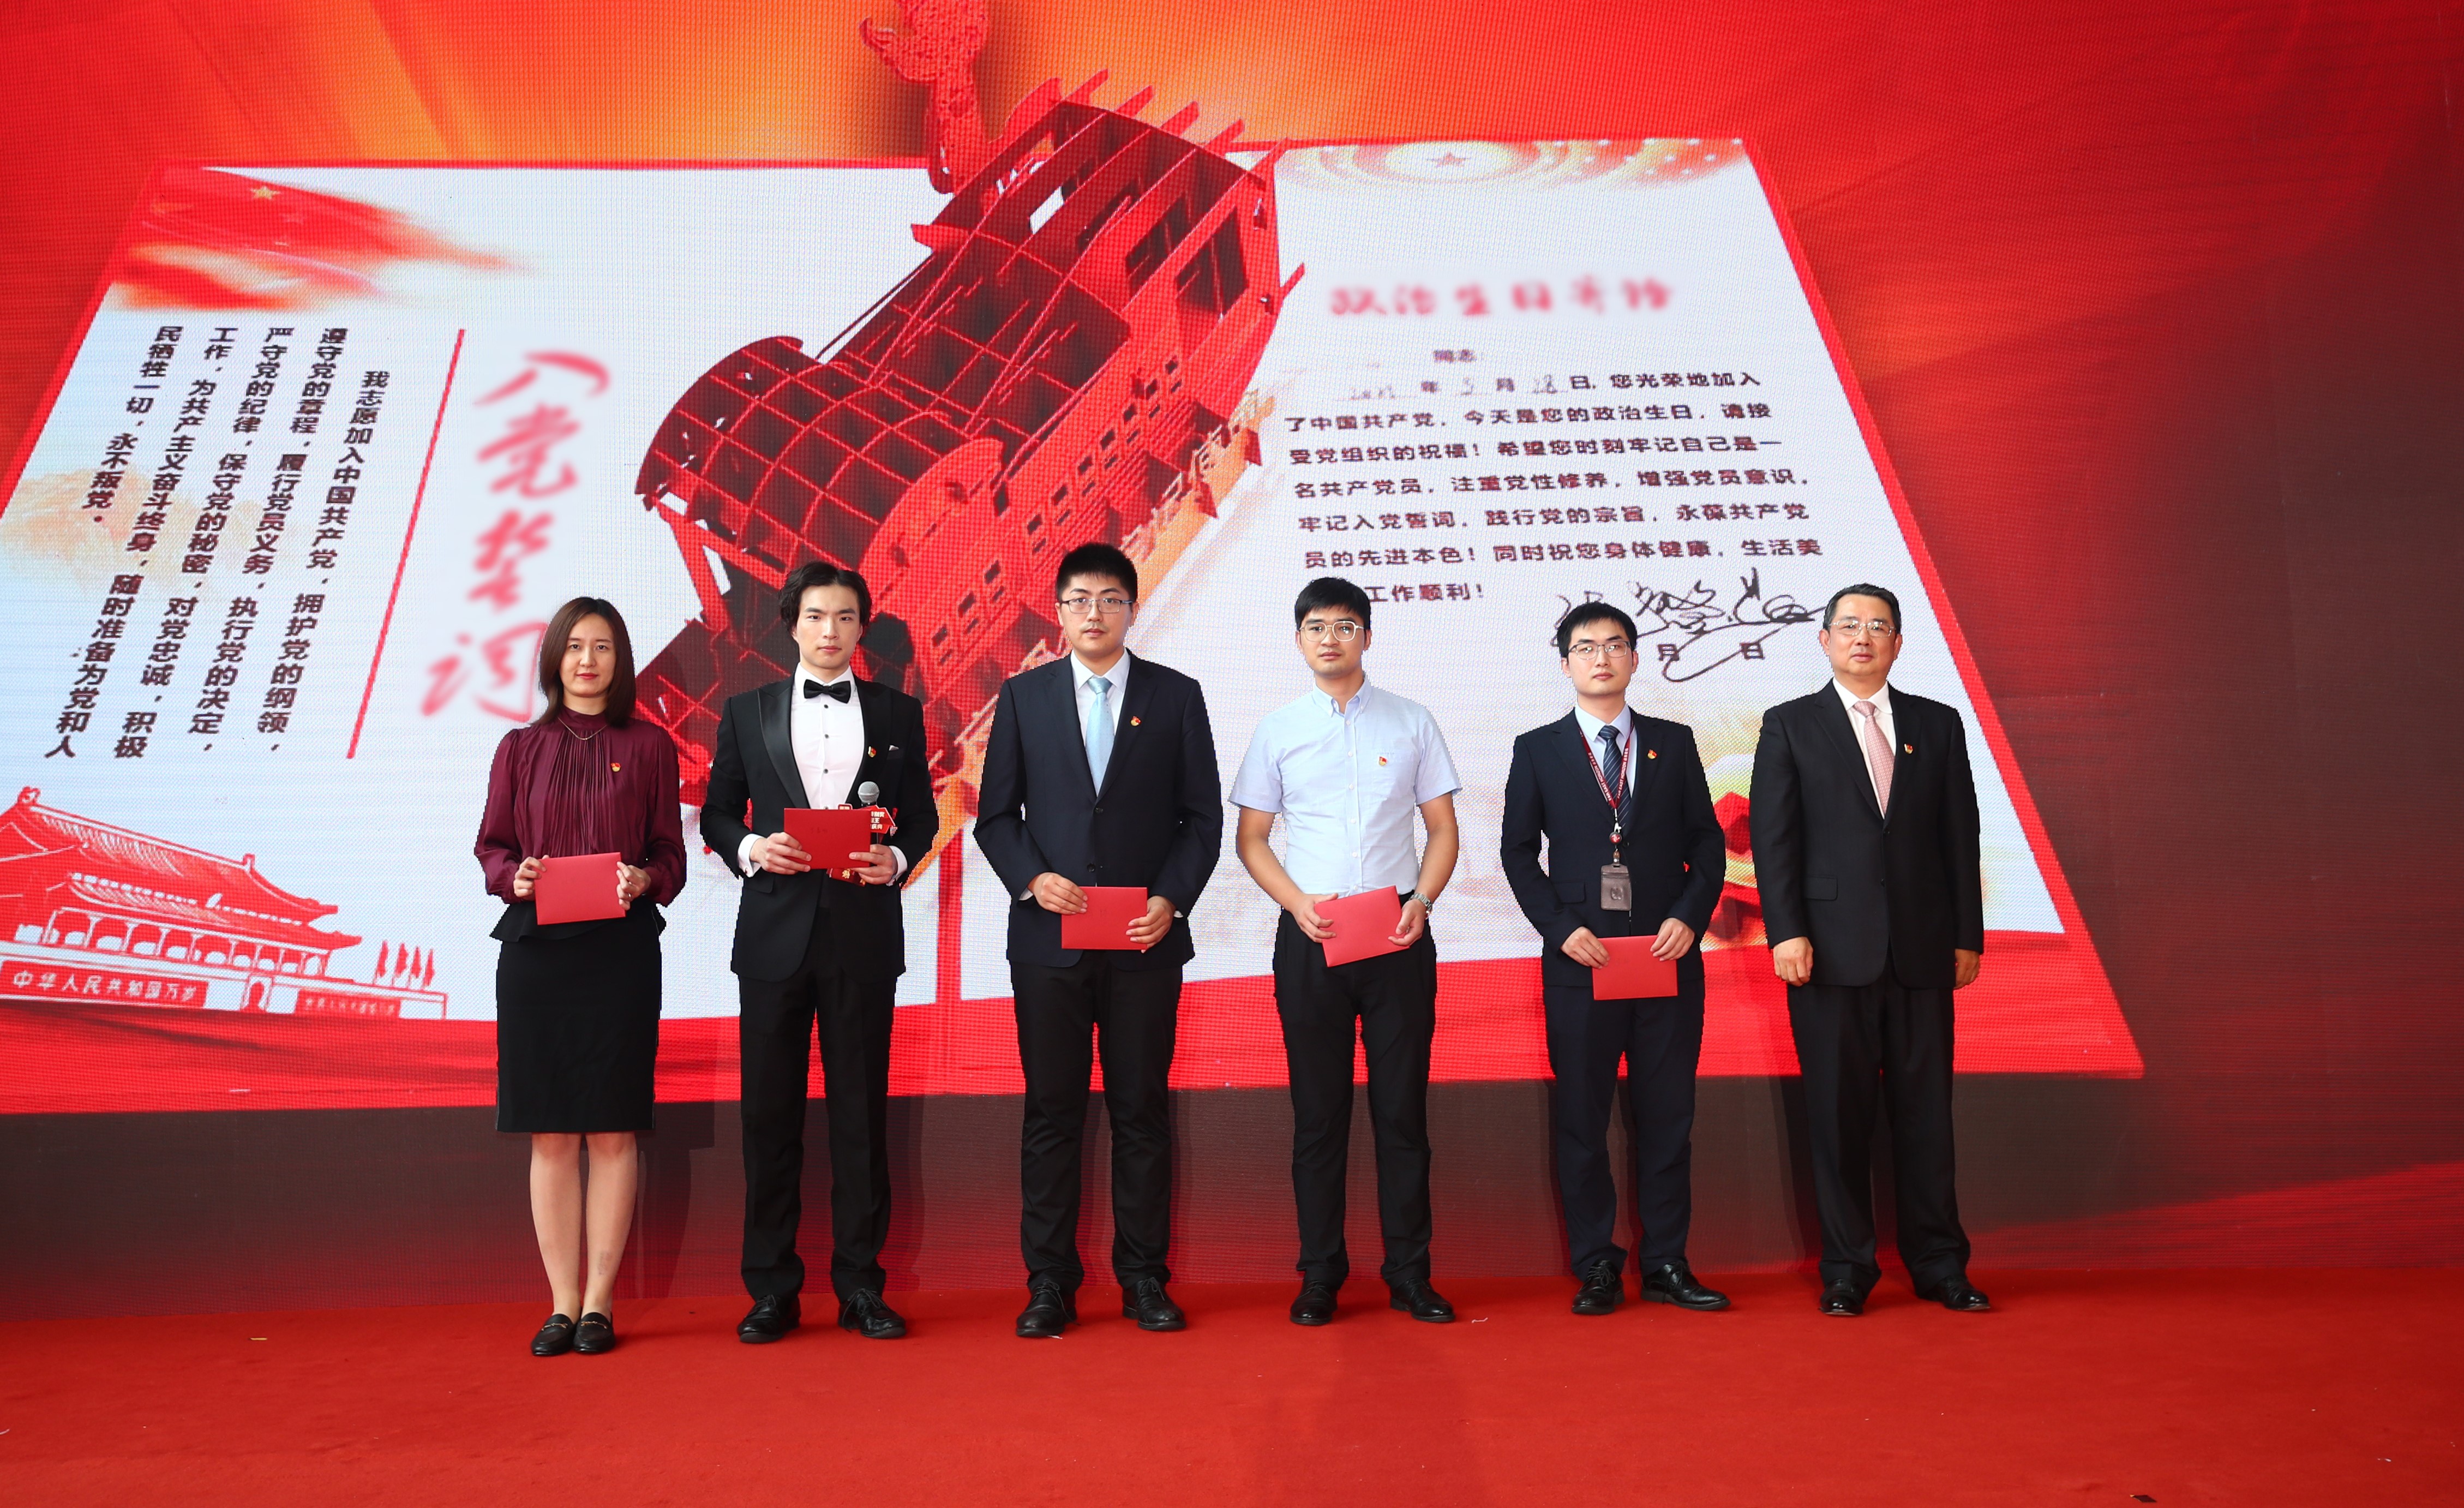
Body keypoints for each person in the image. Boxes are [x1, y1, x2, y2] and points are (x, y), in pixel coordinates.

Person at [975, 542, 1223, 1337]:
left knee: (1140, 1111)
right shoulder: (1023, 697)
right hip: (1049, 944)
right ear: (1057, 610)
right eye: (1079, 599)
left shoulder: (1176, 696)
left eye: (1110, 599)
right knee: (1051, 1113)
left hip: (1144, 941)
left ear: (1131, 609)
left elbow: (1202, 820)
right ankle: (1049, 1283)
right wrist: (1031, 879)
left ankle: (1144, 1278)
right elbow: (994, 819)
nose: (1094, 613)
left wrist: (1171, 899)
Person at [700, 562, 939, 1344]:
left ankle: (862, 1287)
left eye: (843, 617)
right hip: (773, 936)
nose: (829, 631)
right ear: (791, 625)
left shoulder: (899, 712)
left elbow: (922, 818)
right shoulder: (746, 712)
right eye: (815, 616)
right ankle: (771, 1290)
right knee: (769, 1118)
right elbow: (716, 814)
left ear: (861, 626)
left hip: (862, 935)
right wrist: (751, 848)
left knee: (860, 1117)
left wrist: (895, 860)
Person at [1748, 583, 1989, 1316]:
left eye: (1878, 626)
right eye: (1849, 626)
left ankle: (1940, 1264)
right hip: (1827, 953)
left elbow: (1960, 835)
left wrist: (1966, 935)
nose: (1863, 638)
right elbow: (1773, 840)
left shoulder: (1937, 723)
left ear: (1897, 643)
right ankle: (1847, 1269)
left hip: (1922, 950)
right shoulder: (1790, 725)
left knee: (1927, 1117)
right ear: (1824, 640)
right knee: (1836, 1116)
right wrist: (1786, 931)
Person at [1230, 577, 1461, 1327]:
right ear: (1299, 639)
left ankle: (1410, 1273)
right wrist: (1296, 903)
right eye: (1316, 626)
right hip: (1312, 938)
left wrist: (1422, 902)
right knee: (1319, 1115)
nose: (1330, 638)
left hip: (1397, 934)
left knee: (1401, 1113)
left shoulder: (1411, 720)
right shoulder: (1278, 729)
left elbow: (1442, 829)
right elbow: (1252, 839)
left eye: (1345, 625)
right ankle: (1320, 1273)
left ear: (1367, 635)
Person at [1501, 601, 1732, 1316]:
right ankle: (1596, 1264)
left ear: (1634, 658)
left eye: (1614, 645)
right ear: (1565, 662)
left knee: (1668, 1116)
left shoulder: (1672, 742)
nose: (1600, 658)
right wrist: (1558, 928)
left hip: (1665, 955)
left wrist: (1689, 918)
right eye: (1585, 647)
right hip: (1582, 960)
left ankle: (1666, 1262)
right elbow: (1517, 852)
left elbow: (1708, 843)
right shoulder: (1537, 749)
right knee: (1582, 1118)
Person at [475, 596, 687, 1357]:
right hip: (537, 956)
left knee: (613, 1128)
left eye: (602, 647)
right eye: (574, 646)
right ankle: (561, 1306)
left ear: (619, 660)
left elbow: (670, 855)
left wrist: (644, 879)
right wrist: (515, 877)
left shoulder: (652, 745)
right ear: (554, 658)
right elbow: (492, 847)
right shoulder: (518, 748)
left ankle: (599, 1305)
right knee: (552, 1134)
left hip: (620, 955)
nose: (587, 660)